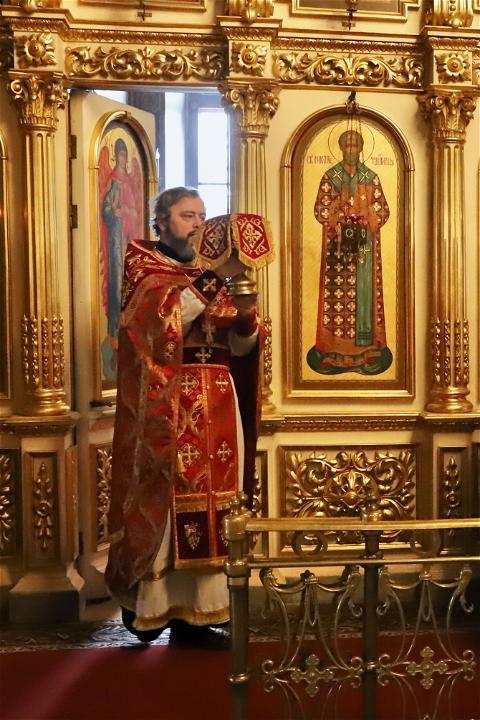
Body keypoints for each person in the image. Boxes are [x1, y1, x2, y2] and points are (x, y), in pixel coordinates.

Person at [105, 186, 261, 648]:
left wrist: (247, 319)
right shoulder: (145, 266)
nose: (197, 224)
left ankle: (201, 612)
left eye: (201, 215)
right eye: (187, 215)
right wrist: (215, 278)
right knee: (169, 503)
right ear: (162, 221)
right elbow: (160, 327)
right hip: (168, 407)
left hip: (219, 404)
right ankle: (155, 608)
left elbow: (239, 349)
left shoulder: (211, 274)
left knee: (218, 504)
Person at [307, 129, 392, 375]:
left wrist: (366, 218)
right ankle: (334, 350)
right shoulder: (331, 177)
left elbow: (383, 210)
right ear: (342, 148)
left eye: (355, 146)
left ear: (361, 149)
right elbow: (320, 209)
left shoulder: (371, 177)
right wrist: (339, 216)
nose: (351, 150)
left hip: (364, 250)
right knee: (337, 302)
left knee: (365, 298)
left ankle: (367, 350)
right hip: (337, 251)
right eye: (347, 146)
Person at [100, 137, 143, 380]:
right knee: (117, 285)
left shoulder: (130, 182)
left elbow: (136, 211)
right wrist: (114, 211)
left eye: (125, 154)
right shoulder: (113, 182)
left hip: (130, 240)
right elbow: (106, 211)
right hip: (116, 242)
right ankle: (114, 335)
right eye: (120, 155)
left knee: (132, 285)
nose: (123, 159)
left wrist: (125, 211)